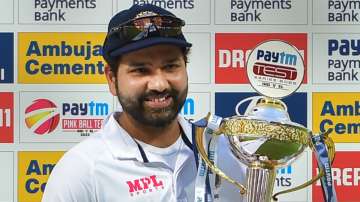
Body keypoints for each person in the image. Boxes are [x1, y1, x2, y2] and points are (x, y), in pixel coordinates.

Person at [42, 3, 246, 202]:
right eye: (140, 70)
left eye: (170, 66)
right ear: (112, 79)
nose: (159, 84)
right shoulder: (80, 170)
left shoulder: (227, 153)